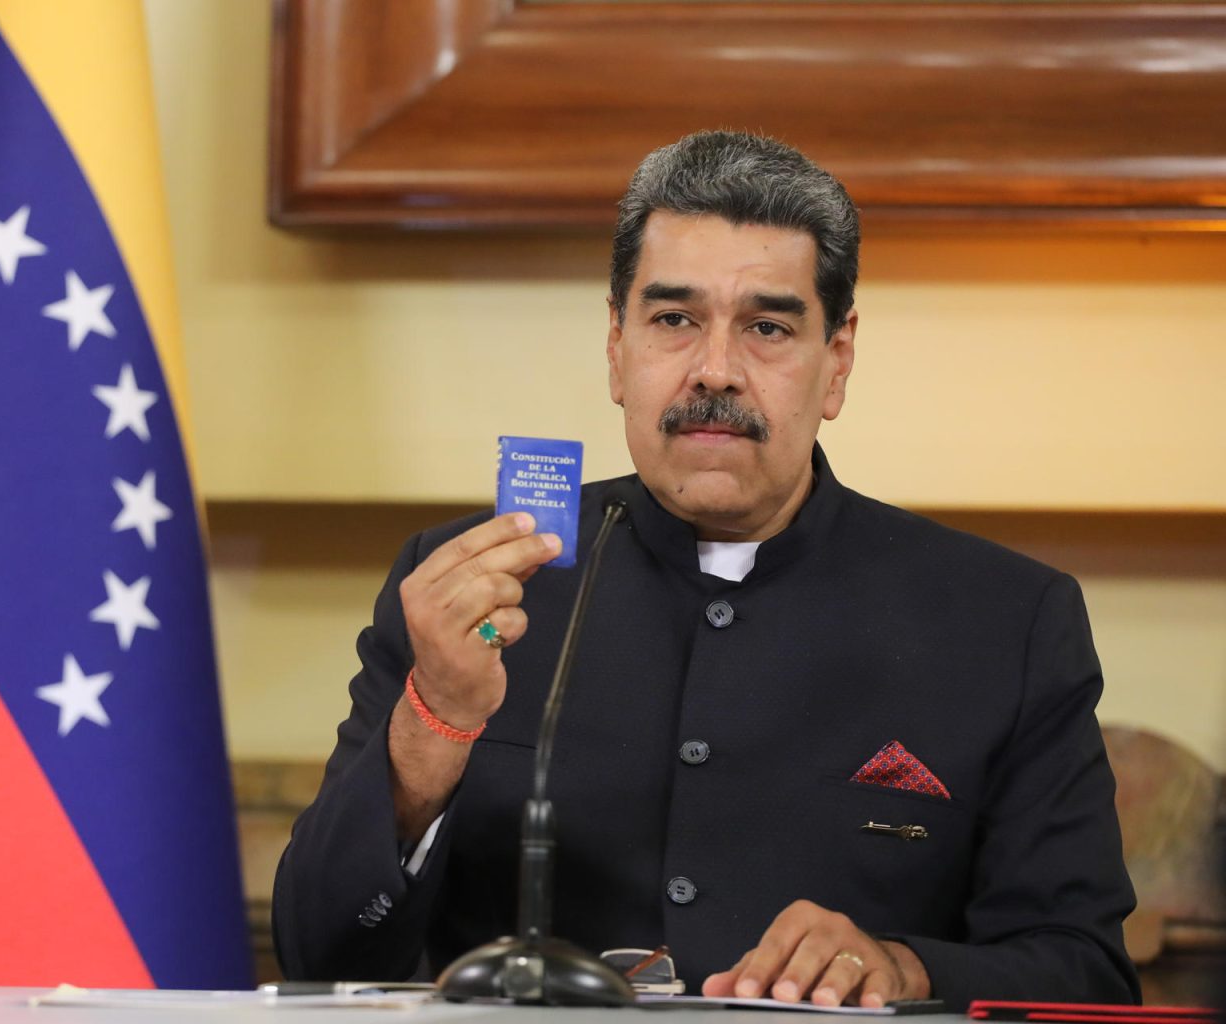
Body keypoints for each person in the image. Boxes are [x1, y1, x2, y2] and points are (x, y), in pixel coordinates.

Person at [272, 130, 1139, 1009]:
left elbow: (1087, 976)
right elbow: (318, 950)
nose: (715, 370)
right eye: (673, 320)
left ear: (835, 363)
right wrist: (437, 722)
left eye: (767, 327)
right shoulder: (465, 584)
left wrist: (904, 967)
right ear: (618, 347)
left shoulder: (1006, 619)